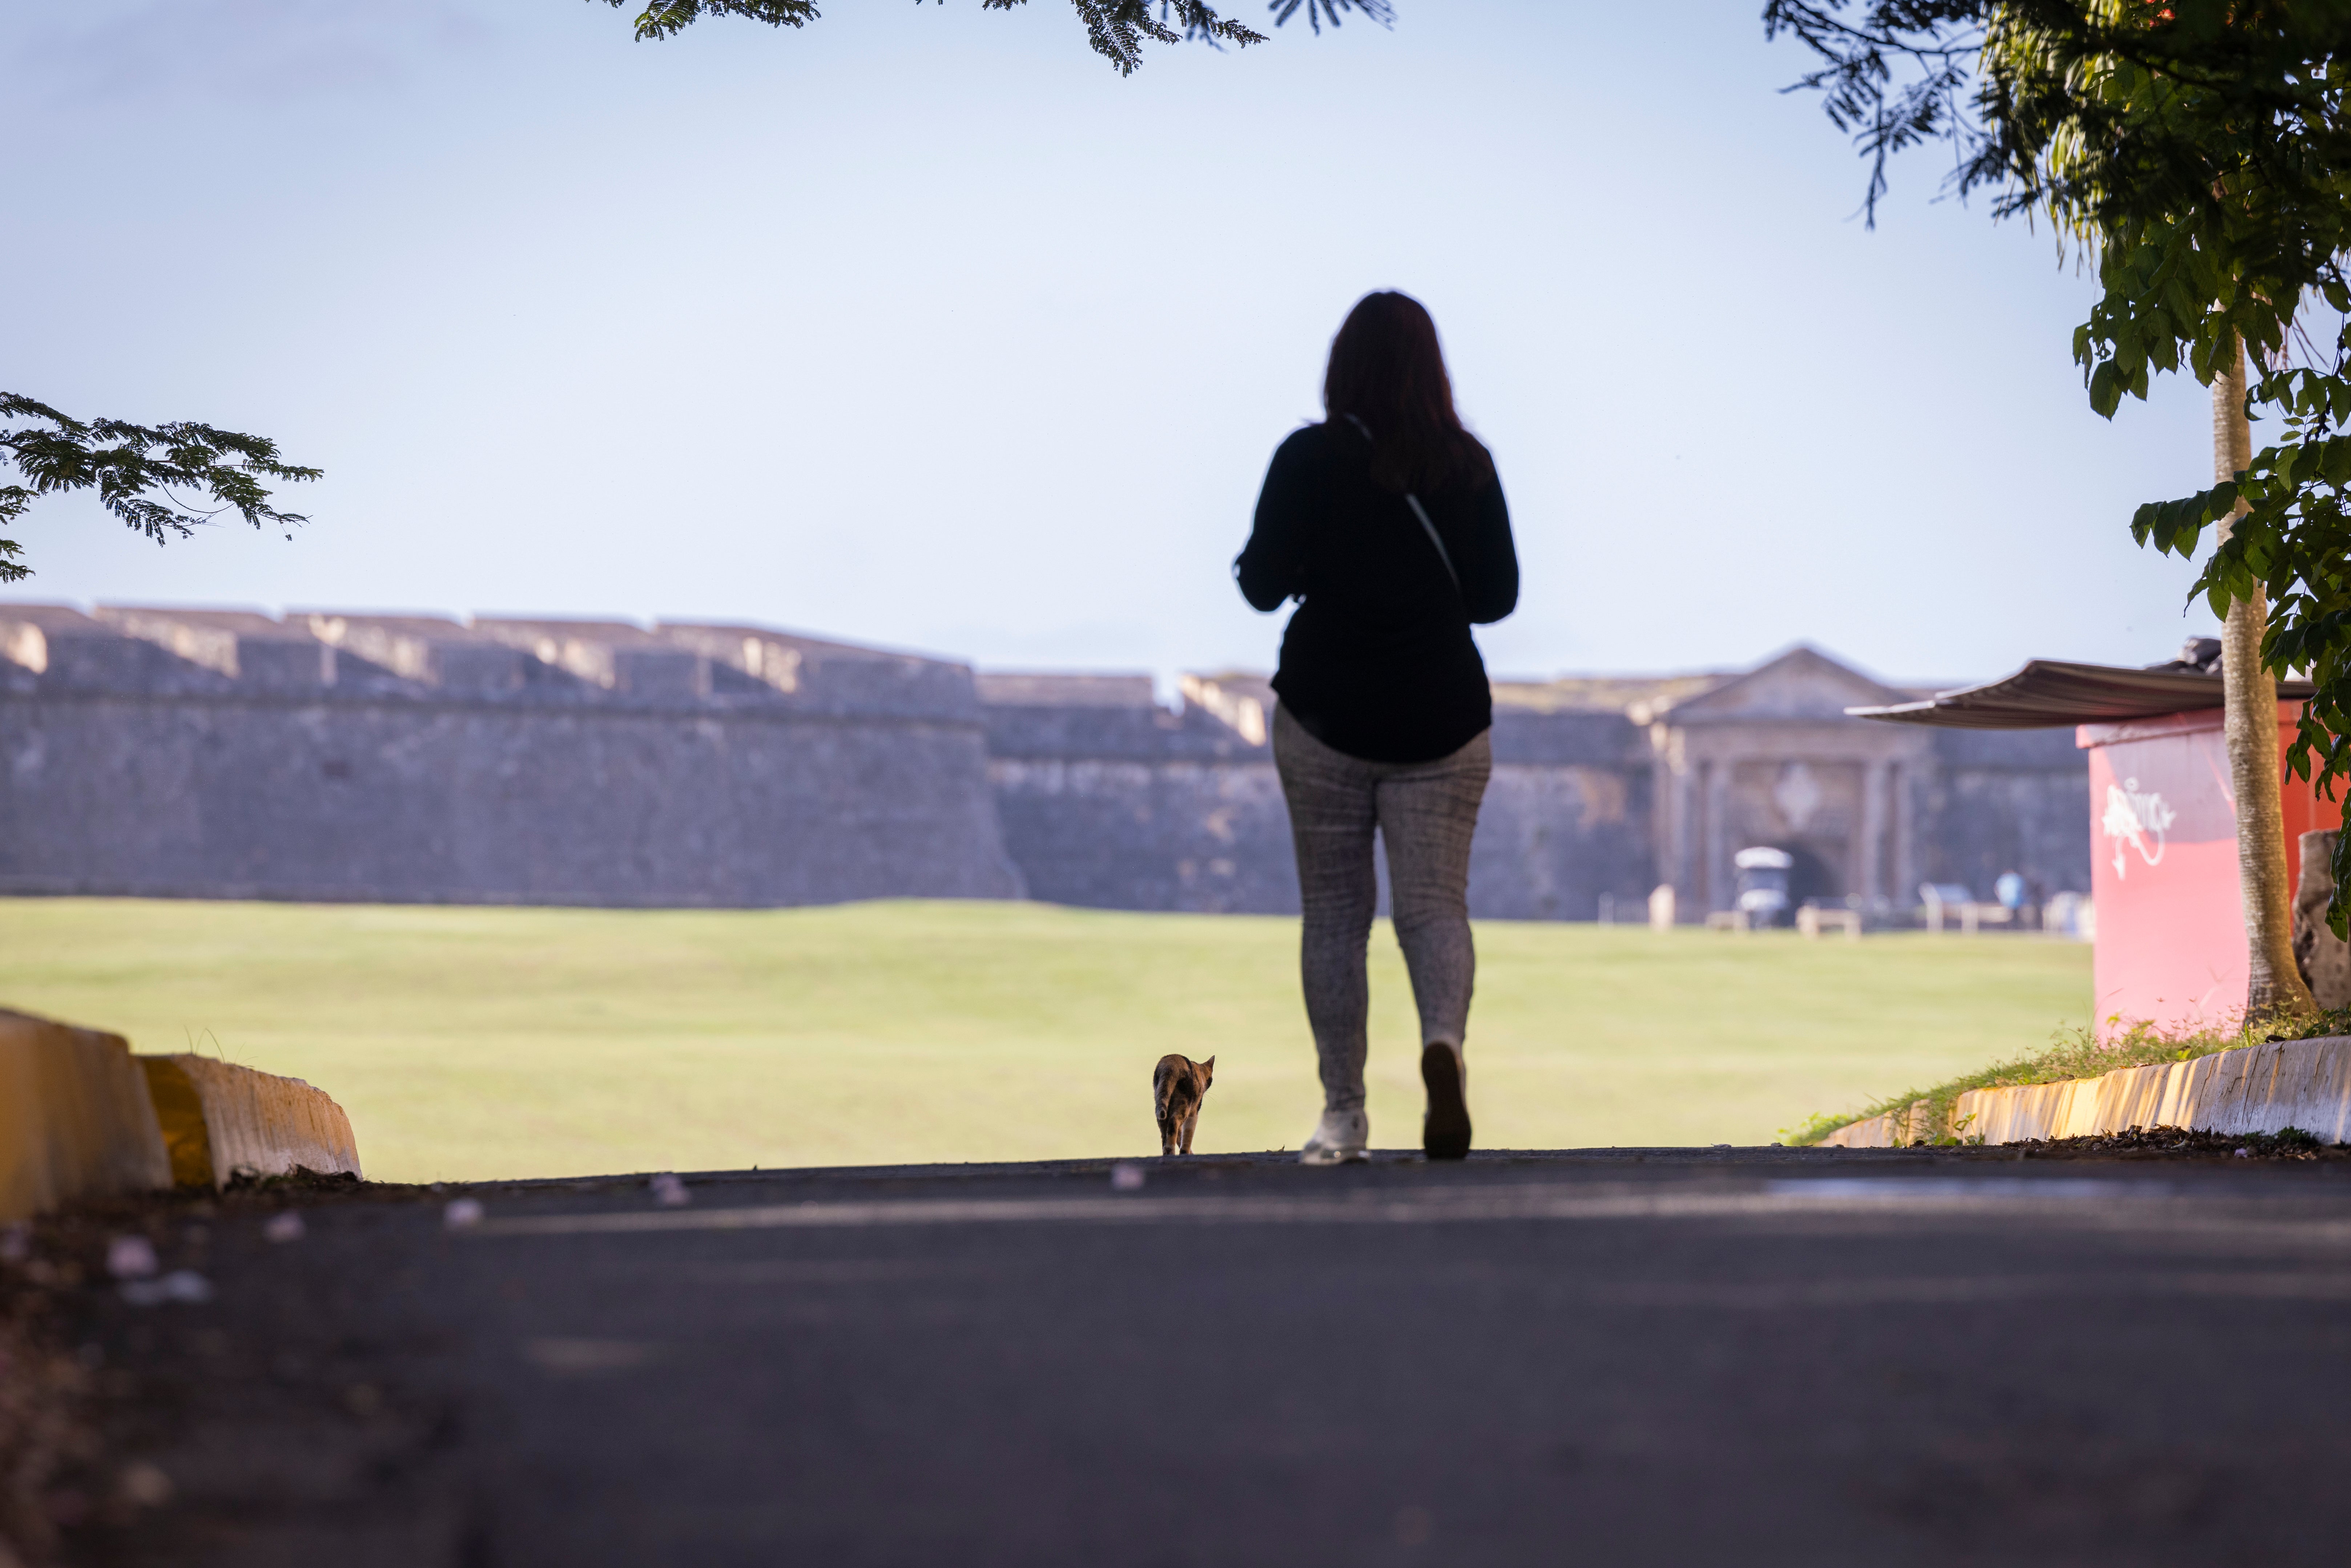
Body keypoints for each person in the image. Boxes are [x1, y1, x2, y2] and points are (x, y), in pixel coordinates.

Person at [1232, 291, 1519, 1164]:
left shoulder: (1308, 458)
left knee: (1335, 917)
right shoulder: (1466, 465)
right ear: (1432, 371)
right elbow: (1496, 599)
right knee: (1433, 909)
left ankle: (1343, 1114)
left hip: (1327, 712)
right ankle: (1444, 1045)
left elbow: (1260, 586)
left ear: (1342, 366)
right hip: (1441, 714)